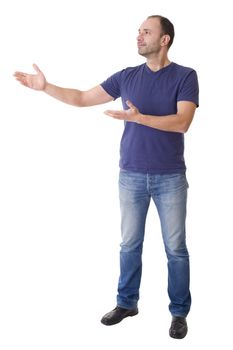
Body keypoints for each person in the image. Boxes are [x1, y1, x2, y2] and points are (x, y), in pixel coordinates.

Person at [14, 15, 199, 339]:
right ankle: (127, 303)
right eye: (139, 31)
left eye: (146, 31)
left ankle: (179, 312)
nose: (139, 35)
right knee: (129, 244)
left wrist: (140, 118)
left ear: (165, 39)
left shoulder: (185, 76)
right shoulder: (127, 77)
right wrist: (46, 88)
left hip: (170, 176)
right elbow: (83, 97)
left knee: (175, 248)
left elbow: (182, 122)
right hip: (131, 175)